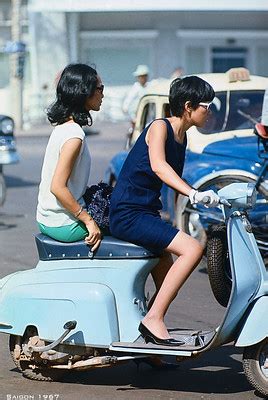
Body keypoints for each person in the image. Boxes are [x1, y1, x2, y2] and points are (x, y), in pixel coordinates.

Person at [109, 76, 220, 346]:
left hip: (146, 212)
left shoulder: (182, 136)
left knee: (165, 273)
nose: (210, 111)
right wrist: (194, 193)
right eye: (207, 105)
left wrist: (207, 194)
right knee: (193, 249)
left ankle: (152, 341)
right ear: (188, 106)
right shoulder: (160, 127)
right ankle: (153, 319)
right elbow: (160, 166)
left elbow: (171, 178)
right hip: (128, 213)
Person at [36, 63, 104, 251]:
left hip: (47, 217)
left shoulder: (64, 127)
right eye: (100, 88)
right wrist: (88, 221)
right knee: (133, 228)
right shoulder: (74, 136)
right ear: (84, 92)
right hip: (63, 223)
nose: (103, 94)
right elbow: (57, 187)